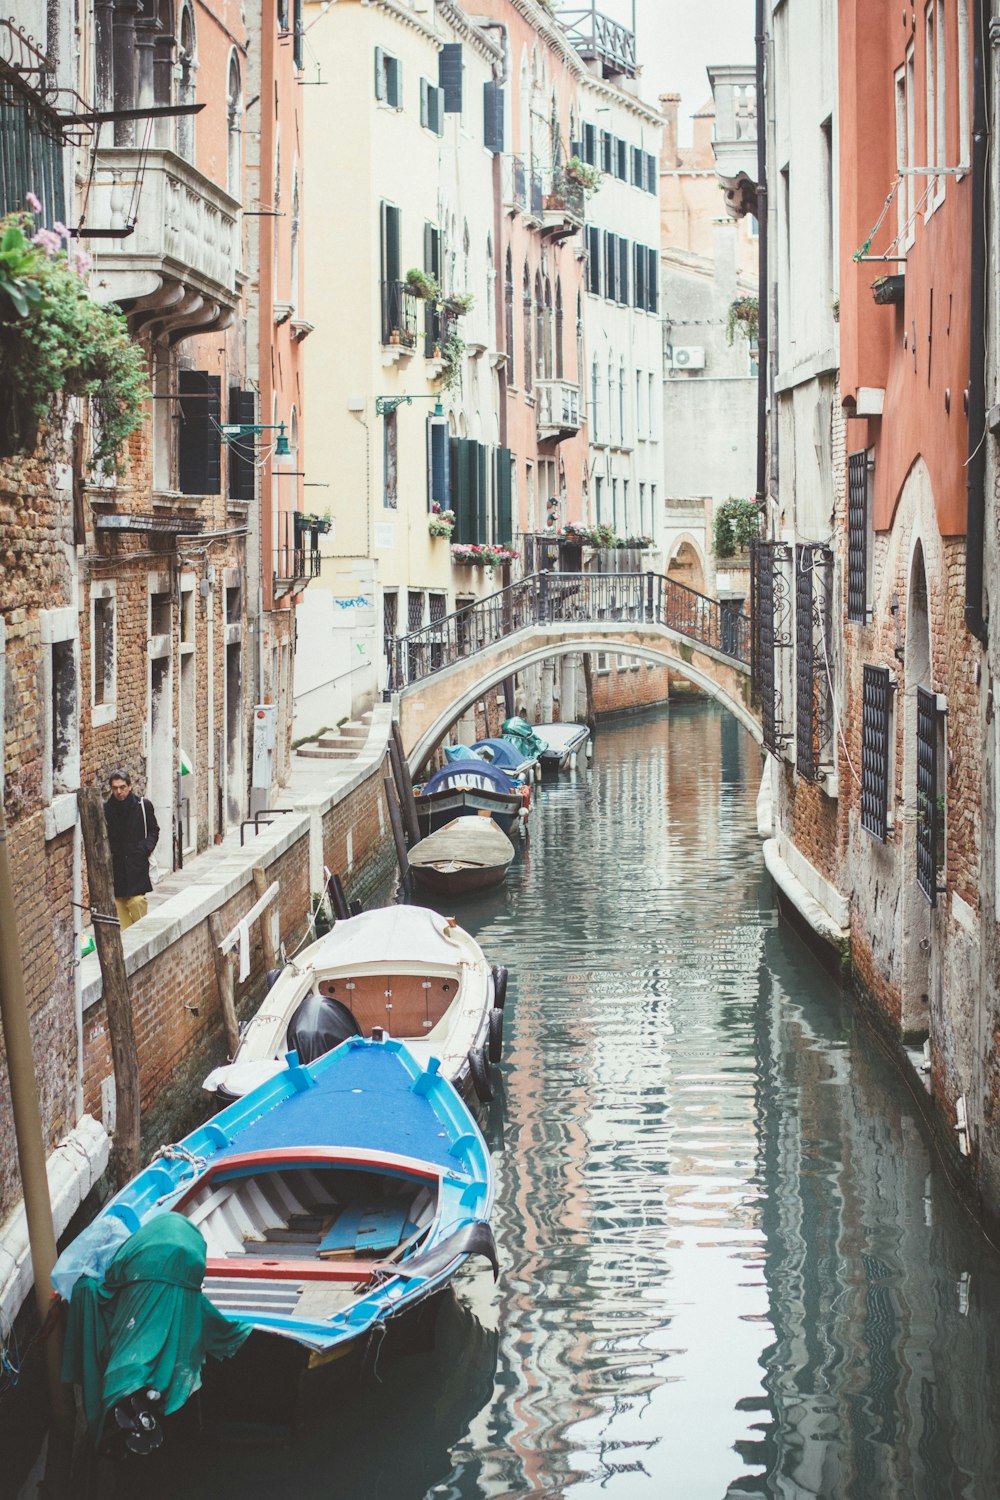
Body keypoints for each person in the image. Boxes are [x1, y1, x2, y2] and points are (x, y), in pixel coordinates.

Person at [104, 771, 159, 930]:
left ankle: (143, 938)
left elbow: (154, 831)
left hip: (137, 866)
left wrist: (144, 848)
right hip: (117, 868)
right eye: (115, 788)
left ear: (130, 786)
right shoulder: (106, 809)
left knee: (137, 903)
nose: (119, 792)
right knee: (120, 920)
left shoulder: (143, 806)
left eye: (122, 787)